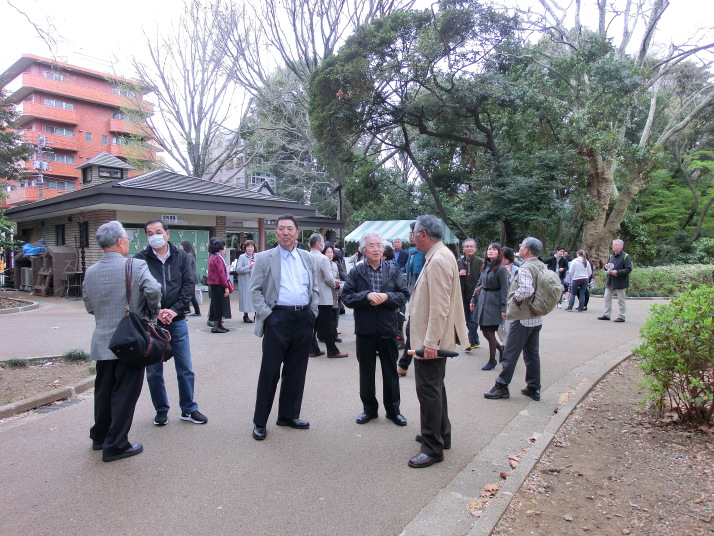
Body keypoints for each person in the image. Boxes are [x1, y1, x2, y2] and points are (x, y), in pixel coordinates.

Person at [82, 221, 161, 462]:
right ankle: (116, 445)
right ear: (119, 241)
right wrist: (150, 314)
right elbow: (153, 290)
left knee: (103, 392)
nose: (128, 242)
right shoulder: (135, 265)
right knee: (125, 393)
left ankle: (100, 437)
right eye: (126, 238)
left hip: (103, 341)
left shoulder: (91, 271)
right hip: (130, 341)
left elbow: (88, 305)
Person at [250, 215, 319, 441]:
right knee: (270, 372)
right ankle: (260, 422)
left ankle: (288, 415)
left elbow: (314, 288)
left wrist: (312, 313)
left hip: (303, 318)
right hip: (277, 318)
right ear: (276, 233)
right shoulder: (264, 258)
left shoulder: (307, 258)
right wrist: (268, 316)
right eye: (281, 229)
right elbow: (255, 291)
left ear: (297, 232)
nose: (285, 232)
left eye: (290, 228)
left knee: (296, 372)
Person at [408, 215, 469, 468]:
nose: (412, 238)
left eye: (413, 234)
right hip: (430, 337)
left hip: (430, 340)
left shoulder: (439, 259)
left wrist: (431, 343)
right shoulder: (439, 255)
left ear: (423, 234)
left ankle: (432, 447)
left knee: (428, 391)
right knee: (435, 388)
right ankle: (441, 433)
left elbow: (440, 306)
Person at [135, 220, 208, 426]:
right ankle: (161, 409)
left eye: (158, 232)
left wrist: (174, 310)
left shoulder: (181, 257)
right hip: (152, 322)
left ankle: (189, 408)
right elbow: (137, 289)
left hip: (177, 320)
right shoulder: (140, 259)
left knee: (185, 367)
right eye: (150, 233)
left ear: (167, 234)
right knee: (153, 370)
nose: (154, 236)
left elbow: (188, 285)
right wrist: (156, 311)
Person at [342, 232, 410, 427]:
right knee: (366, 371)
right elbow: (347, 297)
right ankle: (369, 410)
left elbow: (404, 294)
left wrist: (387, 297)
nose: (376, 249)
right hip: (365, 329)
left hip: (388, 327)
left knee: (390, 371)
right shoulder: (356, 272)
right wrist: (366, 296)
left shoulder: (393, 270)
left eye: (379, 245)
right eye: (371, 246)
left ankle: (393, 411)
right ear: (363, 250)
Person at [484, 237, 546, 402]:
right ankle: (533, 387)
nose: (520, 248)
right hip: (536, 317)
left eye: (522, 246)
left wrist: (514, 300)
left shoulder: (526, 268)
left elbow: (526, 289)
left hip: (522, 318)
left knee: (510, 353)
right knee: (532, 354)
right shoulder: (541, 265)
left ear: (527, 250)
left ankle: (501, 386)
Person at [308, 233, 348, 358]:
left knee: (313, 325)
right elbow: (329, 278)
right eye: (322, 241)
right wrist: (335, 284)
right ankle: (332, 350)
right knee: (328, 324)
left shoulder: (306, 256)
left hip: (311, 295)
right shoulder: (323, 258)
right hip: (324, 296)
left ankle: (313, 349)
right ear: (318, 243)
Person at [471, 243, 508, 370]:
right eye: (489, 249)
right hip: (483, 301)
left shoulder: (501, 269)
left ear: (499, 252)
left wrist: (503, 308)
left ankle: (492, 360)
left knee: (490, 332)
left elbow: (504, 289)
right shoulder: (485, 266)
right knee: (485, 332)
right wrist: (473, 299)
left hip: (494, 303)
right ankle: (501, 350)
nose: (490, 251)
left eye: (494, 249)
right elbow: (479, 283)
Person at [457, 238, 483, 351]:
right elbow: (451, 277)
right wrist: (458, 274)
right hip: (463, 295)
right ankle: (475, 340)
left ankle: (471, 340)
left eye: (471, 246)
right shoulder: (459, 262)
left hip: (477, 295)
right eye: (467, 246)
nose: (469, 248)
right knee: (467, 320)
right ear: (463, 249)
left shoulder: (481, 262)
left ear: (475, 249)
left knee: (473, 319)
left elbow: (485, 277)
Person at [598, 238, 632, 323]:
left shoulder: (625, 256)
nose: (613, 246)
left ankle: (622, 316)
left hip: (620, 282)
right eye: (613, 245)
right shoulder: (611, 256)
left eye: (615, 245)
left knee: (621, 300)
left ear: (621, 246)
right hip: (610, 281)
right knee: (606, 297)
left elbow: (628, 269)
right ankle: (607, 315)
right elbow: (609, 266)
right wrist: (606, 267)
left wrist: (617, 272)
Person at [206, 237, 232, 333]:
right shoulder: (218, 258)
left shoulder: (213, 256)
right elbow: (221, 274)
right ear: (219, 248)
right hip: (219, 285)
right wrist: (226, 287)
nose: (225, 248)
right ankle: (216, 326)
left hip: (214, 284)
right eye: (224, 247)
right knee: (219, 306)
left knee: (217, 304)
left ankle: (219, 324)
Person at [323, 244, 344, 341]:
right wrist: (333, 283)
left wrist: (338, 284)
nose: (330, 255)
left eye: (331, 252)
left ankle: (333, 334)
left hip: (335, 292)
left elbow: (338, 276)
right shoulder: (323, 263)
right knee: (327, 315)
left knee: (334, 314)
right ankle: (325, 336)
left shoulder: (335, 264)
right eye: (328, 253)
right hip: (326, 292)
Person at [234, 239, 257, 323]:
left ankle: (256, 315)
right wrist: (248, 267)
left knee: (256, 297)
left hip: (255, 281)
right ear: (245, 248)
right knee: (246, 298)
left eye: (251, 247)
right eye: (248, 247)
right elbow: (238, 270)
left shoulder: (257, 256)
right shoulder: (242, 257)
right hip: (245, 281)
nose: (250, 249)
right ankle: (245, 315)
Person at [180, 240, 202, 317]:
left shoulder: (189, 256)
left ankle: (197, 311)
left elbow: (187, 267)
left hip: (191, 277)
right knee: (190, 294)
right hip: (193, 276)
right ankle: (187, 309)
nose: (180, 247)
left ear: (185, 246)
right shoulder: (191, 254)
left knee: (191, 295)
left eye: (181, 246)